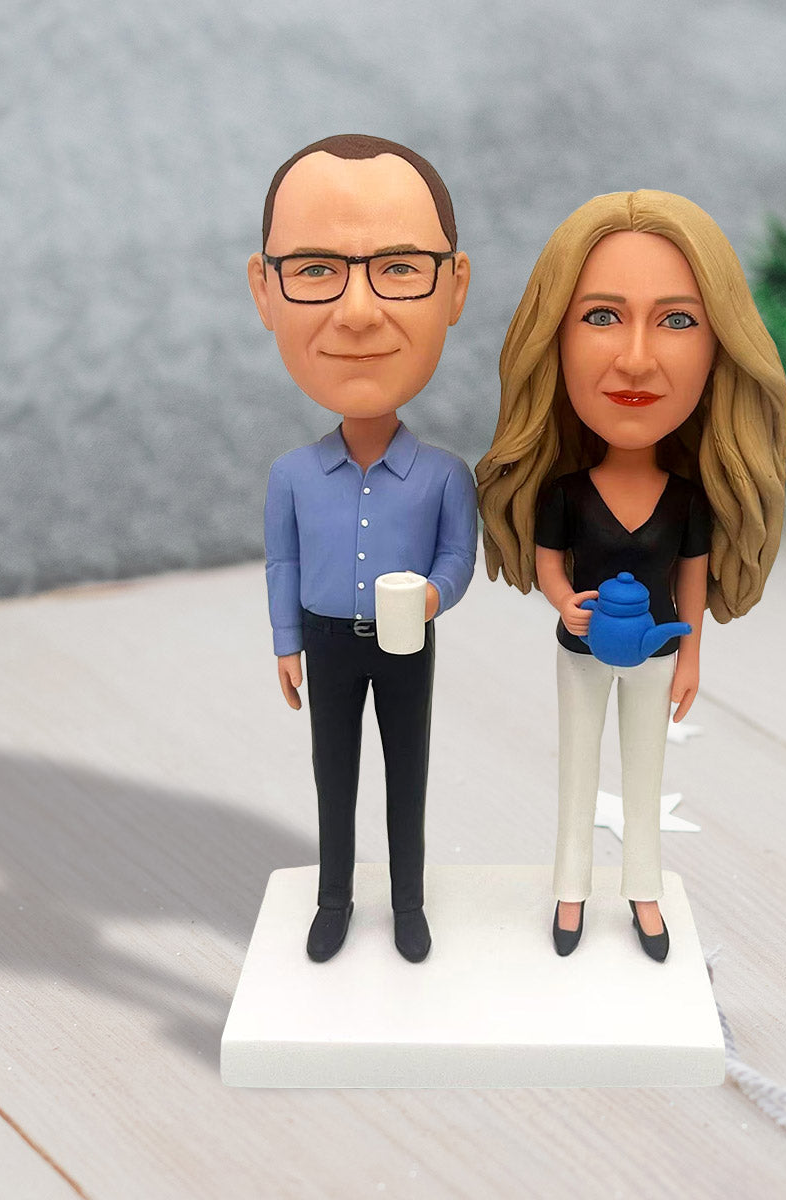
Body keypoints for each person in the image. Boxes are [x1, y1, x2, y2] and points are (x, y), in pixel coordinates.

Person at [476, 191, 786, 961]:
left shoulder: (687, 500)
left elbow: (692, 580)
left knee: (644, 776)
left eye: (677, 320)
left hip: (655, 654)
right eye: (601, 316)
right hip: (581, 650)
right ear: (551, 337)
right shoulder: (565, 493)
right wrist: (564, 602)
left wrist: (693, 654)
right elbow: (549, 563)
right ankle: (571, 891)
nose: (638, 359)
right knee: (577, 771)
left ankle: (644, 893)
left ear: (721, 347)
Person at [250, 135, 477, 964]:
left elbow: (459, 559)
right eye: (315, 269)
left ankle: (408, 904)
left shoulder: (445, 475)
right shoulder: (292, 476)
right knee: (334, 778)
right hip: (326, 644)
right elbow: (281, 563)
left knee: (406, 777)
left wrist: (432, 597)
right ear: (264, 288)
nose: (356, 312)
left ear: (454, 285)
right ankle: (334, 900)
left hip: (408, 643)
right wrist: (286, 643)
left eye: (399, 267)